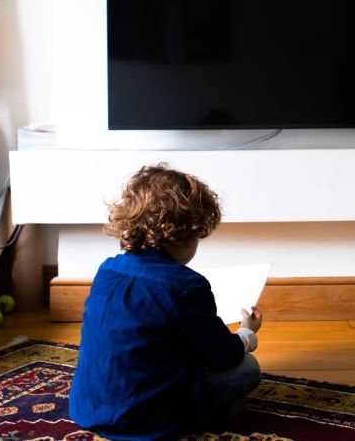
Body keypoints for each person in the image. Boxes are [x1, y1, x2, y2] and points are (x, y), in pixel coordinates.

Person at [69, 163, 262, 440]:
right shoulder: (187, 286)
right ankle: (206, 414)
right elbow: (223, 354)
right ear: (185, 235)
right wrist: (247, 332)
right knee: (247, 368)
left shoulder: (107, 270)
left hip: (89, 408)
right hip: (148, 417)